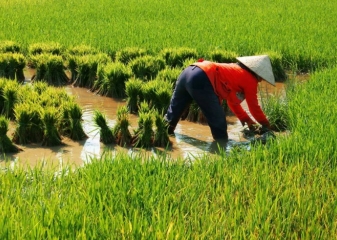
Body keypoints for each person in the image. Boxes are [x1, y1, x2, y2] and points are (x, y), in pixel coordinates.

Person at [164, 55, 276, 141]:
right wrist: (265, 124)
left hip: (187, 71)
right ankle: (221, 148)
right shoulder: (250, 80)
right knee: (218, 120)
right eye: (262, 77)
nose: (261, 80)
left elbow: (233, 102)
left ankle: (161, 136)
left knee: (172, 116)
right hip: (202, 77)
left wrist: (247, 119)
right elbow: (254, 106)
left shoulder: (235, 69)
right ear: (258, 73)